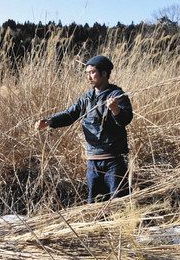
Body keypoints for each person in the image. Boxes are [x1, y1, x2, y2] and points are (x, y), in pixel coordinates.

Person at [35, 55, 133, 203]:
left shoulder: (117, 95)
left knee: (118, 203)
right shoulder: (86, 98)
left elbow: (125, 120)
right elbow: (70, 114)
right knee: (93, 204)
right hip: (92, 160)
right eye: (87, 73)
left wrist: (115, 109)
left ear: (104, 73)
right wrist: (50, 121)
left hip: (114, 159)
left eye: (92, 72)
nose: (89, 77)